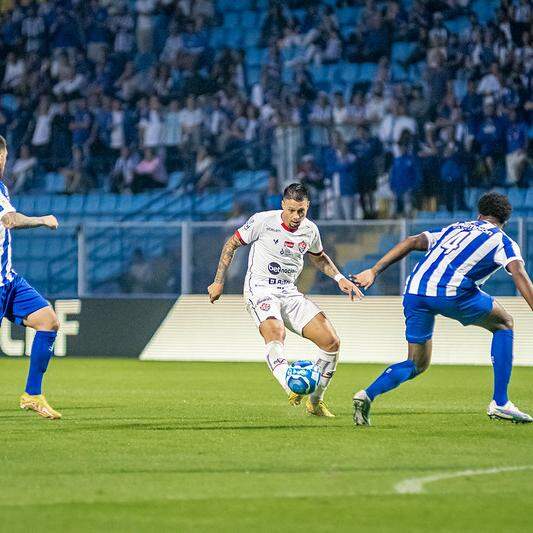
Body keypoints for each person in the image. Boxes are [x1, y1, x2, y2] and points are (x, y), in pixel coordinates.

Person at [350, 192, 533, 426]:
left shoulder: (456, 228)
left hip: (415, 292)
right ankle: (500, 402)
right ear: (504, 221)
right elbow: (519, 273)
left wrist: (374, 271)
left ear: (479, 215)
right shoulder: (502, 240)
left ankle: (367, 394)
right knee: (504, 323)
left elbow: (412, 241)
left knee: (416, 363)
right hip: (452, 293)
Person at [208, 183, 363, 417]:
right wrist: (219, 281)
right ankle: (290, 385)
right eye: (291, 210)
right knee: (275, 331)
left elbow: (319, 258)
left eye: (301, 211)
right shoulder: (263, 221)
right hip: (260, 289)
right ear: (282, 204)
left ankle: (315, 401)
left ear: (307, 206)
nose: (295, 216)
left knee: (331, 342)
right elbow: (231, 243)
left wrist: (339, 278)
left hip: (289, 292)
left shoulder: (310, 230)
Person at [0, 135, 62, 419]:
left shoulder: (1, 187)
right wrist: (41, 219)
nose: (2, 164)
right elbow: (10, 221)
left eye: (3, 159)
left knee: (48, 321)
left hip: (8, 282)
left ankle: (32, 394)